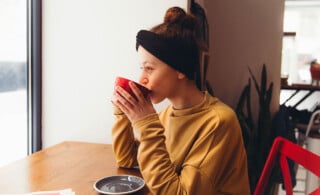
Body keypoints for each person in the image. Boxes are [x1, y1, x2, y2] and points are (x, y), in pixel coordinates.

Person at [111, 6, 250, 195]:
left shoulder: (218, 123)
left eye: (149, 68)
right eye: (141, 68)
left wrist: (147, 126)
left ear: (180, 70)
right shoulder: (169, 113)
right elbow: (127, 160)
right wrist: (123, 112)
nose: (142, 78)